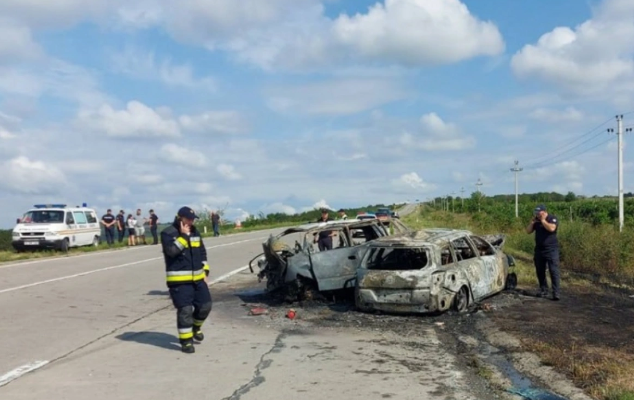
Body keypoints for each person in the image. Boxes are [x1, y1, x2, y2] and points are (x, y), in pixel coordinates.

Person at [161, 206, 212, 354]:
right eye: (188, 219)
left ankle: (196, 327)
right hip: (179, 282)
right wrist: (183, 237)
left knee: (206, 306)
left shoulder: (195, 231)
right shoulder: (168, 233)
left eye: (192, 219)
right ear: (180, 218)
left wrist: (205, 271)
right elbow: (171, 252)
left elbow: (202, 253)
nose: (191, 221)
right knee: (185, 311)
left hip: (198, 280)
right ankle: (186, 341)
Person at [526, 204, 561, 301]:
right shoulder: (536, 221)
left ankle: (556, 292)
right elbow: (528, 231)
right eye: (535, 212)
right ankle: (544, 289)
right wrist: (532, 223)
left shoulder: (552, 218)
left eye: (539, 212)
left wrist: (543, 220)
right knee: (540, 271)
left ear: (544, 212)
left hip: (551, 250)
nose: (537, 214)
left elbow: (551, 228)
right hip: (539, 249)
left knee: (553, 271)